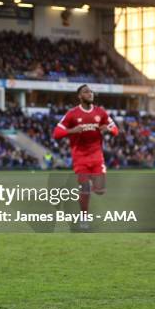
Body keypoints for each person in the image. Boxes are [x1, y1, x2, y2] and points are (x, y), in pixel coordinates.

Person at [53, 84, 119, 230]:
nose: (90, 94)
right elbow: (56, 133)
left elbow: (115, 130)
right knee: (85, 189)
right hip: (80, 157)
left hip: (97, 157)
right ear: (80, 96)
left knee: (100, 191)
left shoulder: (100, 112)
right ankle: (84, 217)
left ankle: (90, 188)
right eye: (86, 92)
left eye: (91, 92)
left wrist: (107, 128)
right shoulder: (72, 114)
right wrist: (71, 130)